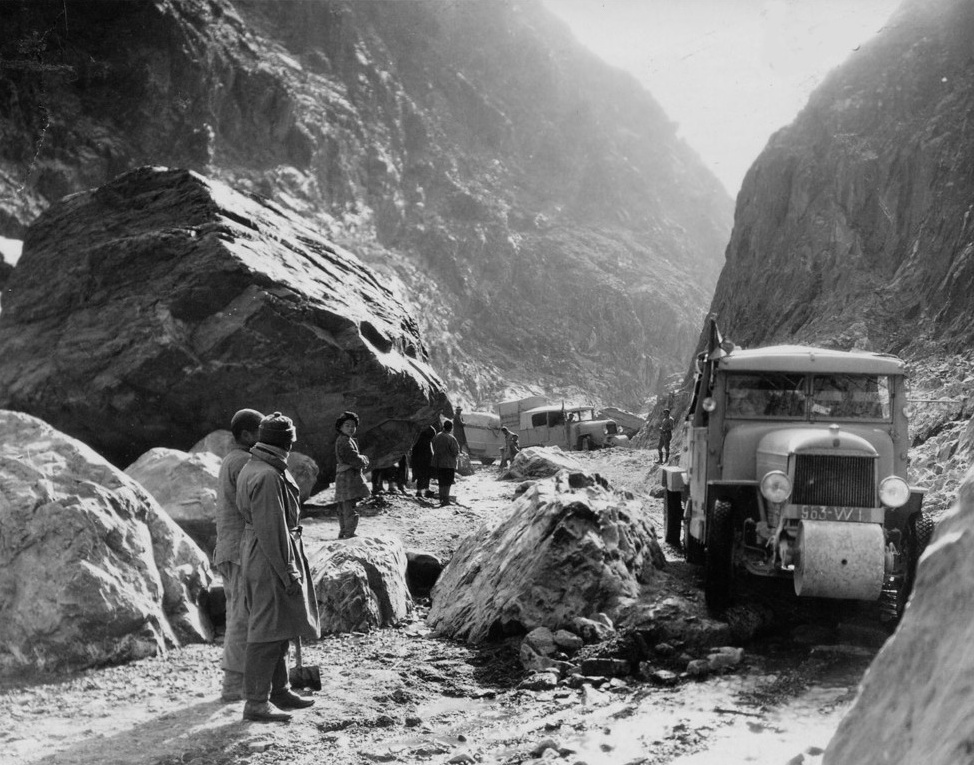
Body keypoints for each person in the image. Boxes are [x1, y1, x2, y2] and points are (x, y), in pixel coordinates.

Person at [237, 412, 319, 723]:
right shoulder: (269, 475)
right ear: (285, 443)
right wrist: (289, 573)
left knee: (280, 624)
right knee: (266, 629)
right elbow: (273, 530)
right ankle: (257, 702)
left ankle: (279, 690)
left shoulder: (256, 466)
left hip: (261, 553)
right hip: (270, 557)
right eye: (290, 442)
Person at [214, 407, 264, 703]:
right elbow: (250, 507)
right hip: (240, 550)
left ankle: (241, 683)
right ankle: (233, 685)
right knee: (242, 618)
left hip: (228, 549)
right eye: (260, 432)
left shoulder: (230, 459)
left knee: (239, 613)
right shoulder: (244, 461)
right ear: (247, 435)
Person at [334, 411, 371, 538]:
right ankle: (349, 532)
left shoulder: (345, 439)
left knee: (344, 504)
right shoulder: (345, 441)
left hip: (345, 476)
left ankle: (344, 531)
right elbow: (353, 458)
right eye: (347, 425)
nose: (350, 428)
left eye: (353, 426)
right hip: (348, 477)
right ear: (340, 427)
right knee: (349, 505)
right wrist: (364, 460)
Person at [431, 419, 460, 507]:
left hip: (438, 463)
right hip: (448, 464)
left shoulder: (437, 436)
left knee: (441, 482)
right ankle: (446, 500)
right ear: (451, 428)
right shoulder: (451, 438)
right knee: (447, 483)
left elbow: (433, 447)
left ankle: (441, 498)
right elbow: (455, 452)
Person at [411, 425, 437, 499]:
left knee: (421, 473)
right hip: (425, 455)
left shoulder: (418, 431)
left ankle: (422, 490)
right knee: (425, 473)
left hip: (418, 455)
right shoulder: (428, 434)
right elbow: (433, 433)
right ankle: (422, 491)